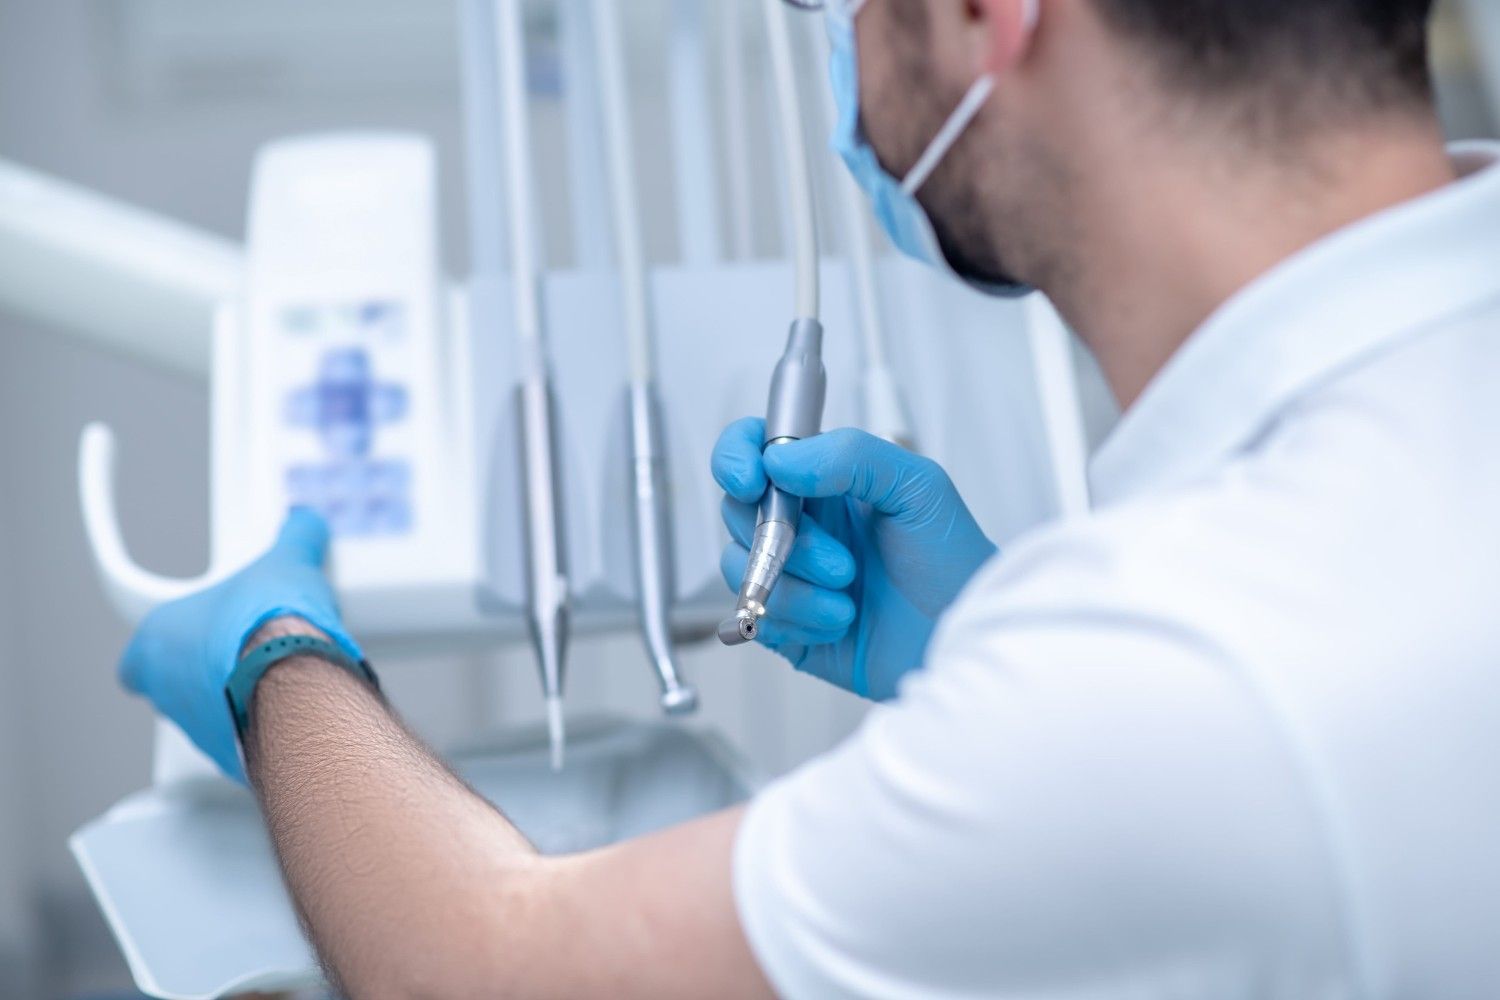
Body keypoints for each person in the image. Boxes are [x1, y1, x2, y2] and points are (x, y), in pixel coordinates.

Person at [119, 0, 1500, 995]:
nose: (835, 39)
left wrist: (279, 663)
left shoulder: (1193, 670)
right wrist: (984, 650)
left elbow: (483, 965)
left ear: (994, 17)